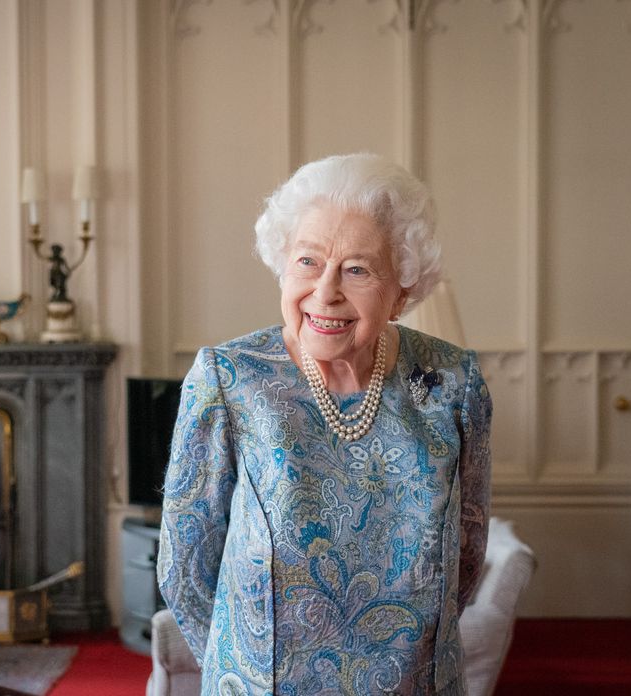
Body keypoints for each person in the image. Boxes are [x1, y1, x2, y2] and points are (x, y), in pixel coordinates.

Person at [157, 153, 492, 695]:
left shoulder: (453, 383)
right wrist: (245, 669)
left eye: (358, 269)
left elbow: (467, 558)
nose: (325, 291)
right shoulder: (230, 380)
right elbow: (185, 568)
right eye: (308, 261)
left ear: (401, 290)